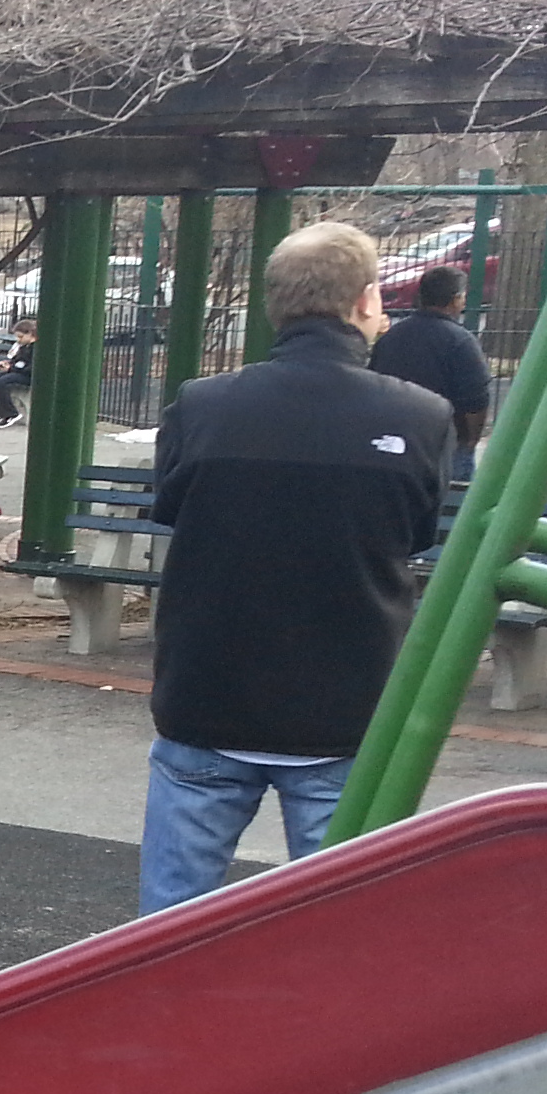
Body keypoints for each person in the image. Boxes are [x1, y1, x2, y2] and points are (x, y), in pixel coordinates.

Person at [136, 221, 450, 917]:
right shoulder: (421, 415)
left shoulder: (202, 405)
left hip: (208, 691)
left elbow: (173, 509)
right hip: (348, 703)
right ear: (365, 300)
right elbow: (416, 533)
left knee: (169, 922)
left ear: (273, 304)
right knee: (341, 924)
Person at [366, 262, 492, 477]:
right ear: (456, 300)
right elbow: (476, 399)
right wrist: (470, 441)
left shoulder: (392, 338)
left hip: (395, 440)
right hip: (445, 442)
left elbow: (374, 382)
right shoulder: (461, 341)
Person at [0, 320, 32, 424]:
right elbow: (17, 360)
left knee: (1, 382)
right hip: (17, 371)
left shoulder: (35, 348)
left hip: (27, 375)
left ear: (30, 334)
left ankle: (10, 414)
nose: (18, 340)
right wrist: (7, 363)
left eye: (21, 337)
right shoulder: (23, 347)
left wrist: (10, 369)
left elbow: (29, 367)